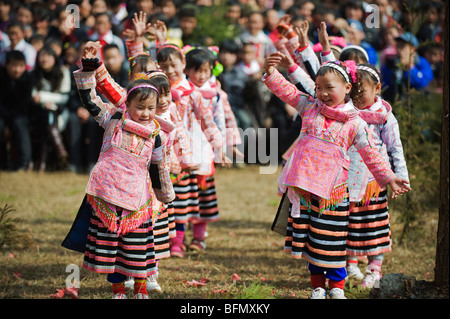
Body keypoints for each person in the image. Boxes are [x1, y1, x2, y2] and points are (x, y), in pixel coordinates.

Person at [263, 52, 411, 299]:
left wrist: (390, 177)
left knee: (333, 243)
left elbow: (371, 155)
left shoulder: (356, 123)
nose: (321, 93)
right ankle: (318, 288)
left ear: (347, 87)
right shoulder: (310, 107)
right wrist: (270, 73)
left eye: (328, 88)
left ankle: (337, 289)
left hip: (334, 194)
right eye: (318, 87)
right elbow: (287, 91)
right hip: (306, 190)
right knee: (312, 243)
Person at [70, 52, 174, 299]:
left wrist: (165, 194)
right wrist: (87, 73)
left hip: (137, 200)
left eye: (151, 108)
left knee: (136, 248)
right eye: (140, 107)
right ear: (127, 104)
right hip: (107, 195)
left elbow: (158, 169)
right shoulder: (113, 119)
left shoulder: (155, 135)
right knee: (111, 249)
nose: (146, 113)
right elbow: (91, 101)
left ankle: (140, 289)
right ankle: (118, 290)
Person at [156, 43, 224, 258]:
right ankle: (162, 240)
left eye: (173, 65)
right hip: (161, 153)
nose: (169, 70)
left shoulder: (193, 94)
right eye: (163, 66)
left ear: (183, 65)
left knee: (184, 201)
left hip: (188, 154)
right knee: (165, 200)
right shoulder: (156, 90)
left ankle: (180, 241)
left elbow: (208, 121)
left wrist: (219, 146)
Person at [345, 63, 410, 289]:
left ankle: (374, 270)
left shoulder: (385, 117)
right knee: (349, 226)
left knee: (375, 228)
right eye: (353, 92)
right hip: (347, 181)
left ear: (377, 88)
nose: (357, 97)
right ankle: (348, 266)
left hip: (375, 183)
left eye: (361, 92)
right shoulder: (347, 114)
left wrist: (400, 176)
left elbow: (395, 148)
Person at [184, 46, 239, 251]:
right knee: (182, 197)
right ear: (186, 69)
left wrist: (224, 146)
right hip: (183, 151)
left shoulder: (215, 94)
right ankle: (177, 239)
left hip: (204, 151)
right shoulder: (180, 91)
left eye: (206, 70)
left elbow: (223, 120)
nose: (202, 75)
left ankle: (198, 237)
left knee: (202, 196)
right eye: (197, 70)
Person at [31, 45, 71, 172]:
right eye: (41, 56)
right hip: (38, 111)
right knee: (47, 116)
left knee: (49, 117)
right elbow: (34, 97)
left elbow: (64, 98)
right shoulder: (34, 74)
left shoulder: (63, 71)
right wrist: (46, 102)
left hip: (61, 111)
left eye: (48, 56)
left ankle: (43, 163)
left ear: (54, 58)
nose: (44, 59)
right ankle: (61, 152)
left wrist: (44, 97)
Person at [0, 50, 33, 171]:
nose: (17, 70)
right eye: (14, 65)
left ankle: (24, 164)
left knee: (20, 124)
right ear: (7, 65)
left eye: (21, 66)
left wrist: (10, 120)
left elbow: (24, 103)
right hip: (2, 114)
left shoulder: (28, 78)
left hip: (20, 114)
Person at [381, 32, 434, 103]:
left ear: (413, 49)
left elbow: (423, 84)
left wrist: (410, 67)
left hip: (416, 105)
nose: (399, 50)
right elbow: (385, 85)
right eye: (398, 46)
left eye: (402, 46)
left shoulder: (422, 63)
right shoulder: (391, 64)